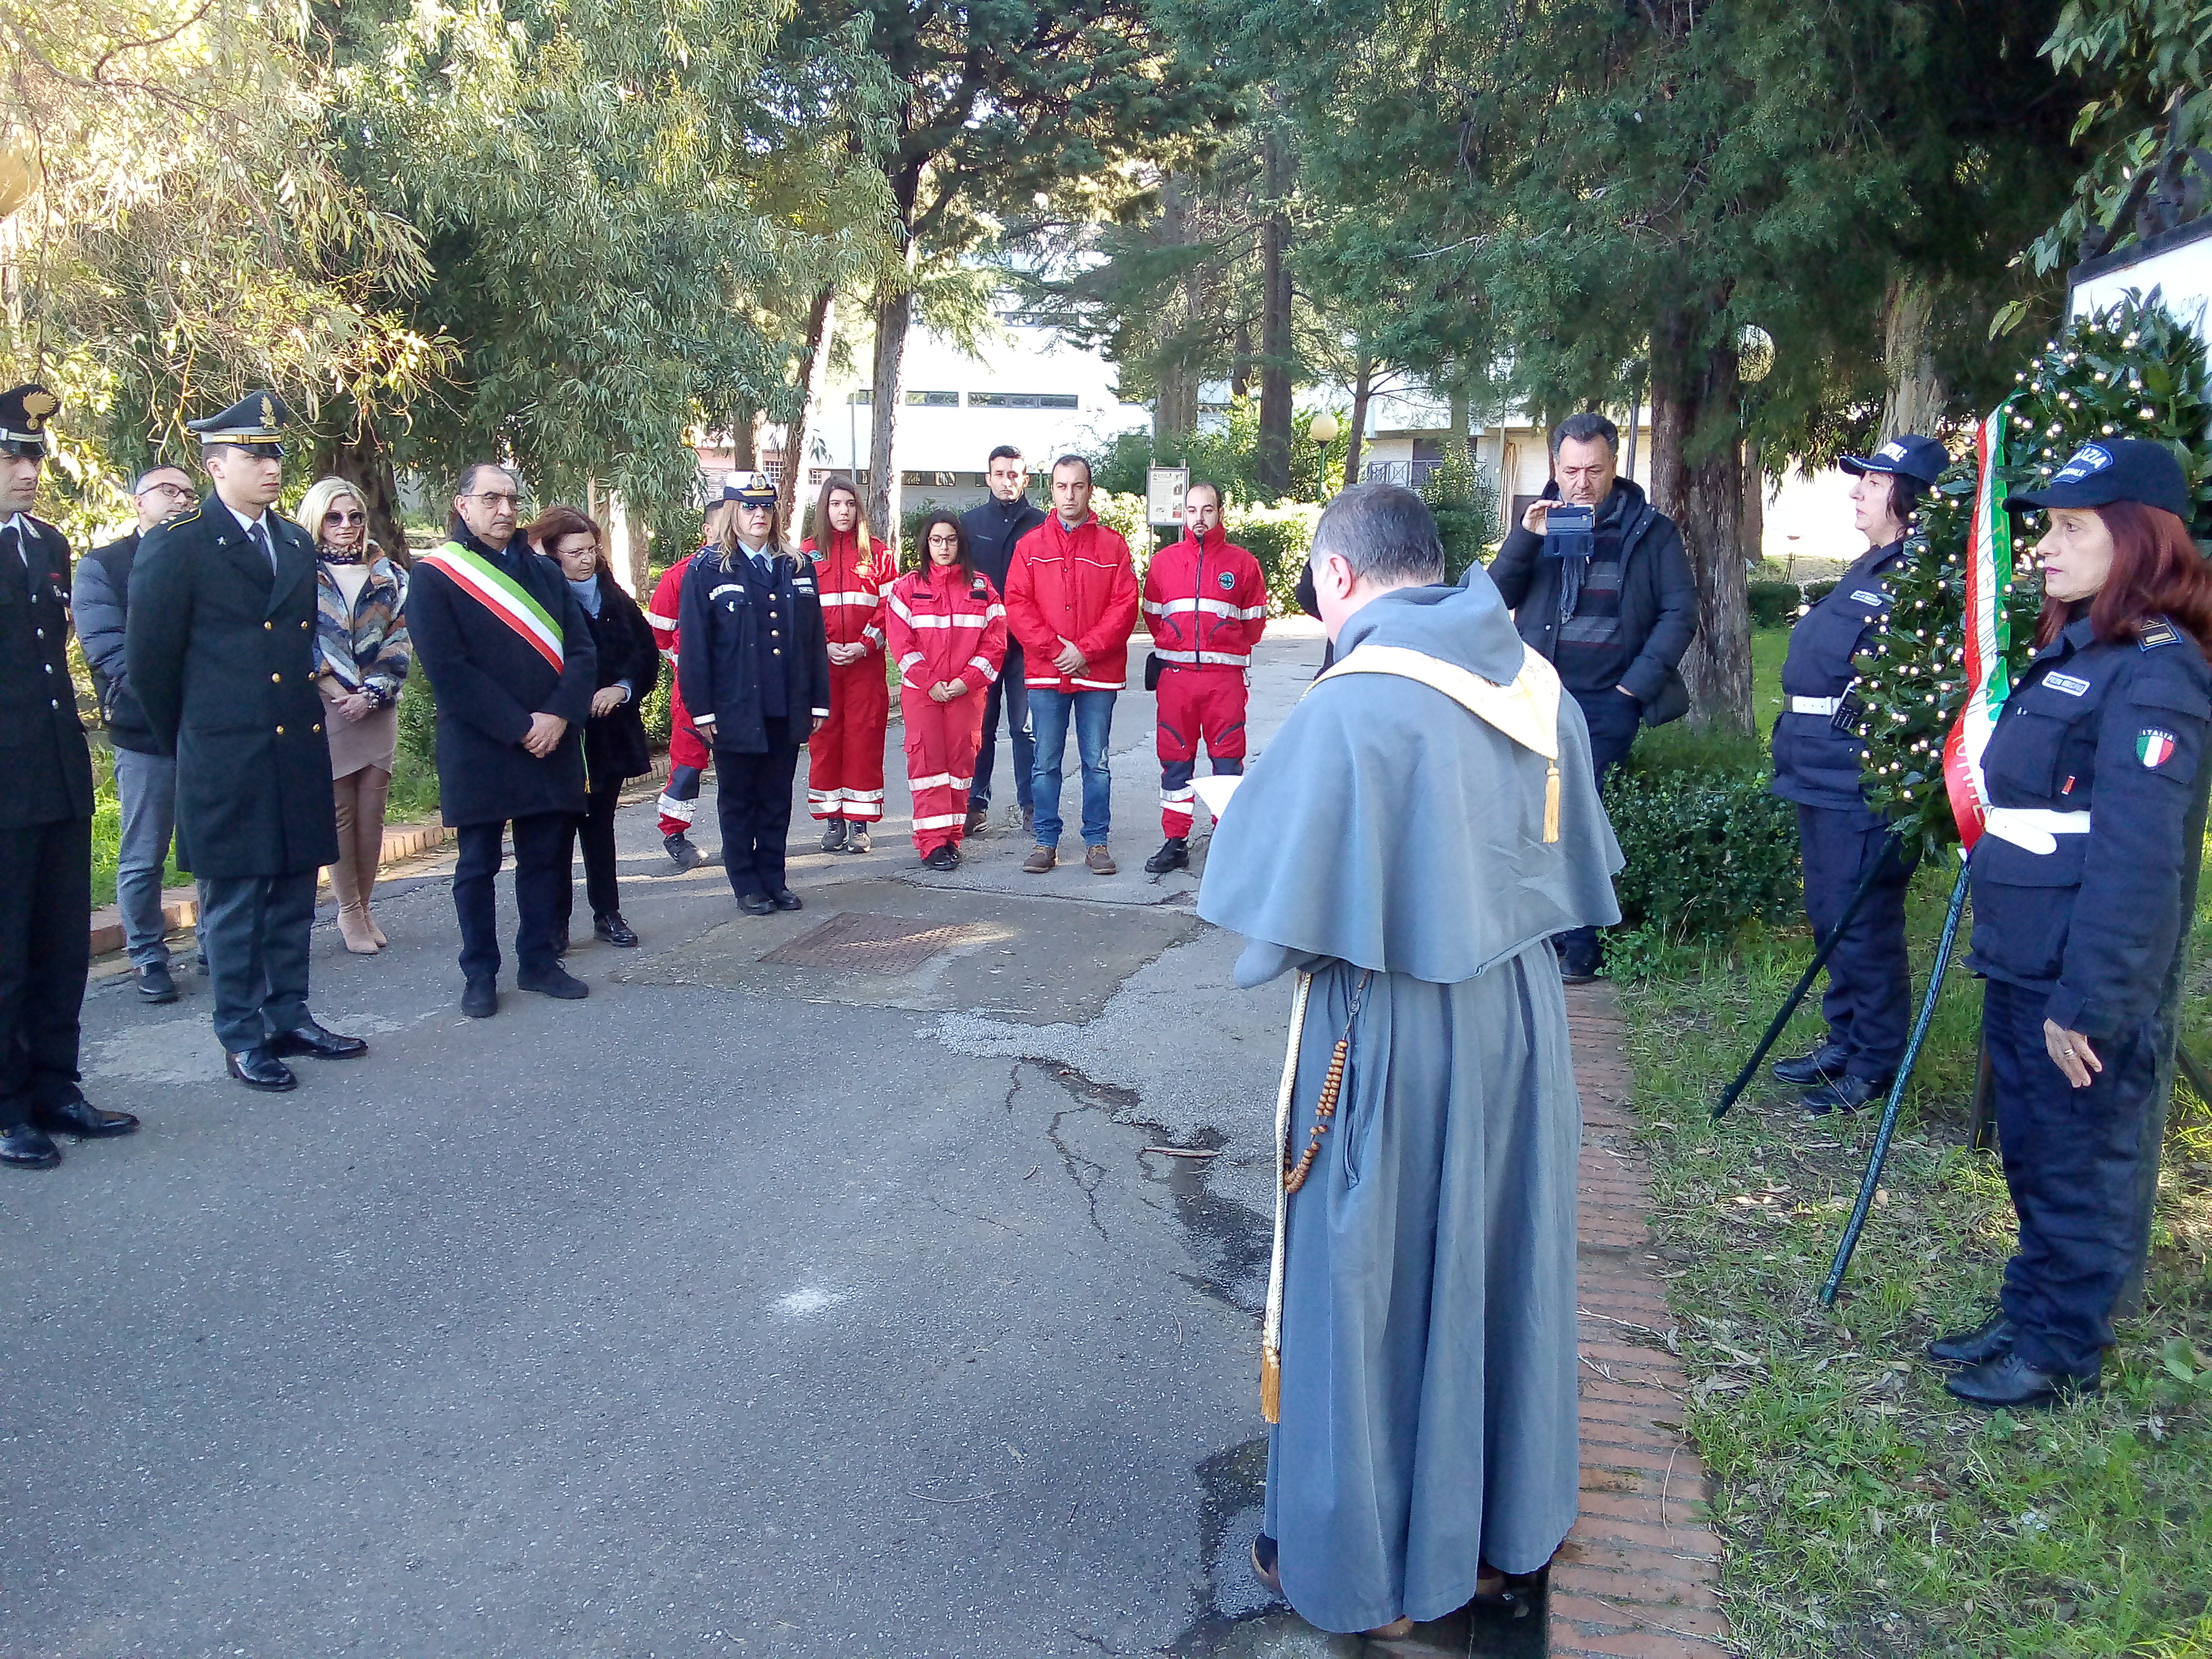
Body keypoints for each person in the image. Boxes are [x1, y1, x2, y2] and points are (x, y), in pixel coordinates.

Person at [1197, 483, 1619, 1635]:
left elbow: (1281, 918)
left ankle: (1363, 1564)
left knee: (1364, 1281)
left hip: (1388, 1029)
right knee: (1496, 1259)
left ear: (1335, 578)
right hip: (1520, 1021)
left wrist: (1244, 821)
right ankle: (1496, 1527)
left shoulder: (1353, 702)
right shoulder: (1534, 680)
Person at [1929, 438, 2212, 1411]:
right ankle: (2031, 1306)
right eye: (2048, 526)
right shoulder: (2077, 650)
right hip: (2023, 957)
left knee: (2079, 1160)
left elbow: (2141, 863)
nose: (2045, 547)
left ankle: (2062, 1351)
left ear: (2136, 540)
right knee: (2037, 1156)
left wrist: (2090, 1004)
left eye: (2070, 528)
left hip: (2072, 977)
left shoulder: (2155, 674)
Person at [129, 392, 367, 1090]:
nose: (271, 466)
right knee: (235, 900)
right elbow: (151, 666)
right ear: (214, 466)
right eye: (254, 454)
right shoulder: (179, 545)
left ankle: (289, 1014)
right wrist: (201, 733)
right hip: (224, 747)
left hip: (292, 741)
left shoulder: (292, 541)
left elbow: (299, 646)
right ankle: (242, 1032)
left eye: (276, 453)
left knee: (294, 889)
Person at [1768, 435, 1948, 1113]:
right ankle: (1846, 1035)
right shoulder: (1873, 566)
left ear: (1906, 495)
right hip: (1818, 769)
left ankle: (1875, 1059)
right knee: (1830, 914)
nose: (1856, 491)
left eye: (1872, 483)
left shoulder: (1918, 575)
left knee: (1861, 919)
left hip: (1862, 780)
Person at [1488, 412, 1696, 981]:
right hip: (1538, 694)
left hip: (1607, 699)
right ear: (1555, 466)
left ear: (1614, 467)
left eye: (1595, 470)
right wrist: (1525, 539)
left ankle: (1580, 946)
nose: (1582, 483)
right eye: (1572, 470)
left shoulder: (1650, 531)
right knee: (1534, 813)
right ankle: (1545, 935)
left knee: (1576, 813)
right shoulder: (1536, 523)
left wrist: (1635, 687)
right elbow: (1495, 595)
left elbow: (1681, 613)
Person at [0, 384, 139, 1168]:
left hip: (54, 772)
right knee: (5, 952)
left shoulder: (46, 543)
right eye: (12, 456)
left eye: (33, 458)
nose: (28, 471)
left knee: (58, 945)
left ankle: (56, 1084)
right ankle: (7, 1104)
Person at [409, 463, 598, 1017]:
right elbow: (448, 669)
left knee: (546, 857)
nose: (505, 509)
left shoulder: (542, 571)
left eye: (512, 499)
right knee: (477, 865)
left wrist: (558, 716)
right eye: (491, 498)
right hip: (482, 742)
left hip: (551, 736)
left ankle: (539, 961)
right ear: (462, 504)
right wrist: (520, 727)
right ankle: (480, 972)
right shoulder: (436, 574)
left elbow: (582, 651)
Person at [676, 470, 831, 916]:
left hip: (785, 702)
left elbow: (811, 640)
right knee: (739, 799)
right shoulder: (708, 568)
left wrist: (817, 700)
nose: (759, 514)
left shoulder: (794, 564)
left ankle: (774, 878)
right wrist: (702, 710)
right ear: (731, 511)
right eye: (749, 506)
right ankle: (746, 882)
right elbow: (696, 646)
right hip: (734, 707)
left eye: (766, 506)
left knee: (777, 798)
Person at [72, 462, 197, 1002]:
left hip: (207, 728)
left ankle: (217, 946)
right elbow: (107, 649)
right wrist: (173, 691)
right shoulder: (103, 566)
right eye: (168, 491)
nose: (182, 501)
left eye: (191, 493)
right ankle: (147, 955)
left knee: (208, 845)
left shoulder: (205, 558)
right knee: (144, 853)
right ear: (138, 501)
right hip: (144, 729)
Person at [1004, 453, 1139, 875]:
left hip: (1096, 673)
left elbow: (1124, 605)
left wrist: (1086, 650)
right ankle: (1046, 841)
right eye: (1062, 486)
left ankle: (1096, 842)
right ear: (1052, 490)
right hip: (1046, 672)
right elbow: (1017, 604)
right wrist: (1055, 649)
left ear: (1089, 490)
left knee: (1096, 762)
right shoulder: (1030, 547)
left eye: (1077, 486)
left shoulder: (1113, 545)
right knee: (1045, 762)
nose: (1069, 494)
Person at [531, 505, 657, 949]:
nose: (586, 559)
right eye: (575, 552)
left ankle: (607, 912)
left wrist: (622, 688)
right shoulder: (544, 597)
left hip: (610, 735)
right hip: (566, 736)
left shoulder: (614, 595)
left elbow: (644, 653)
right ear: (553, 555)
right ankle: (556, 923)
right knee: (560, 833)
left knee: (600, 829)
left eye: (591, 550)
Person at [298, 475, 412, 957]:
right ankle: (348, 911)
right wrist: (332, 686)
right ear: (317, 521)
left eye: (355, 516)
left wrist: (372, 692)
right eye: (334, 517)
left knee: (373, 811)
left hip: (377, 703)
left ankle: (365, 906)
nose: (346, 526)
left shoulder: (390, 576)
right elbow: (294, 637)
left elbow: (400, 639)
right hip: (325, 704)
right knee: (340, 811)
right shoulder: (300, 572)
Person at [1139, 479, 1267, 874]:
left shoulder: (1243, 564)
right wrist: (1174, 646)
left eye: (1206, 510)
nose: (1199, 518)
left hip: (1223, 680)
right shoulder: (1163, 562)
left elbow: (1255, 623)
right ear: (1183, 514)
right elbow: (1153, 613)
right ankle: (1175, 840)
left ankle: (1224, 840)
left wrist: (1223, 650)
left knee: (1227, 760)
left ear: (1219, 513)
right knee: (1175, 759)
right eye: (1192, 510)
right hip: (1175, 678)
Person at [884, 512, 1006, 869]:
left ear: (960, 543)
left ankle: (952, 836)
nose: (943, 547)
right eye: (936, 540)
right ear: (926, 544)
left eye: (950, 539)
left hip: (966, 695)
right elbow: (900, 643)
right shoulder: (907, 588)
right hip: (924, 694)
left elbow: (995, 642)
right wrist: (931, 682)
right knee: (927, 764)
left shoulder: (982, 588)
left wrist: (964, 681)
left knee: (960, 764)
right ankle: (931, 843)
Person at [802, 473, 894, 853]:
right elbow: (797, 611)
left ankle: (859, 823)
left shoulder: (878, 554)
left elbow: (891, 610)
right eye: (835, 504)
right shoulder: (803, 555)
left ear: (859, 509)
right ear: (825, 508)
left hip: (864, 666)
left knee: (864, 739)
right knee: (824, 740)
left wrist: (862, 646)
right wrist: (821, 646)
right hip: (821, 668)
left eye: (850, 504)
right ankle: (832, 821)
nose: (843, 511)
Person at [960, 445, 1046, 834]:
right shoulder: (970, 523)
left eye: (1014, 474)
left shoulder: (1042, 523)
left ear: (1025, 479)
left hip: (1027, 644)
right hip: (982, 643)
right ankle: (976, 802)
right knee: (982, 724)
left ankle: (1031, 804)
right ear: (988, 477)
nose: (1007, 481)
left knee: (1024, 729)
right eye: (1000, 474)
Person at [647, 496, 724, 871]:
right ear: (708, 530)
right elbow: (661, 635)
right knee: (688, 765)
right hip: (693, 695)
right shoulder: (679, 576)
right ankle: (674, 833)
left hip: (739, 695)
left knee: (740, 770)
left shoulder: (752, 570)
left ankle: (743, 840)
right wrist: (693, 669)